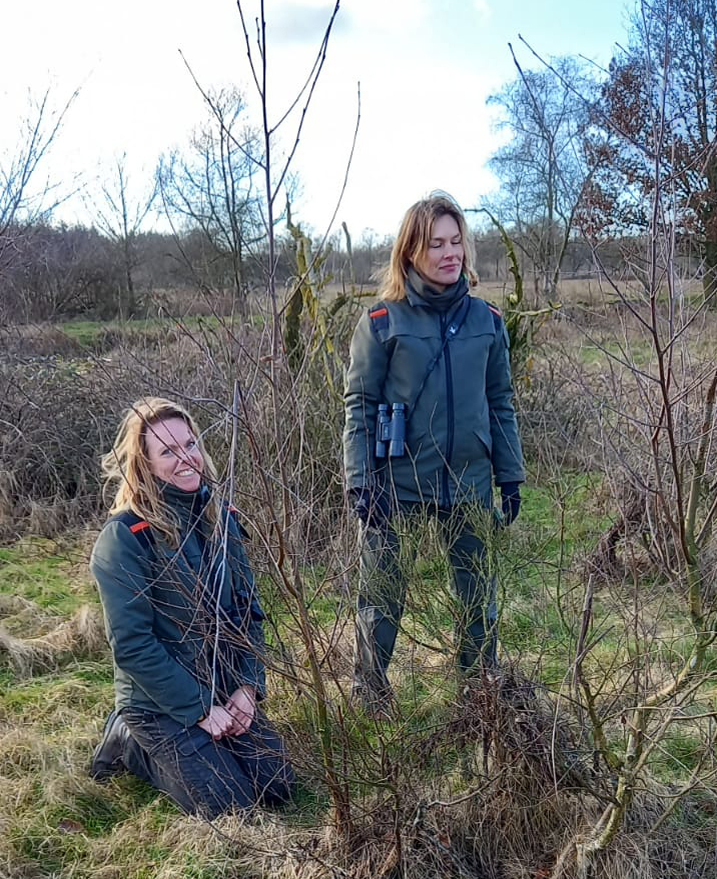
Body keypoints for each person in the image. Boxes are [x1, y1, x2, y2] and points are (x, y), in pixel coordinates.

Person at [343, 192, 525, 710]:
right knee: (381, 592)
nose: (450, 254)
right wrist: (361, 481)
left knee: (477, 594)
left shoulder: (487, 320)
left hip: (469, 478)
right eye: (435, 244)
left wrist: (509, 475)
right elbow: (359, 405)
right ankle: (369, 692)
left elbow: (500, 401)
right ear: (410, 252)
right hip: (398, 484)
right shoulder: (382, 321)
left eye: (456, 241)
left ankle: (479, 692)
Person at [89, 396, 294, 819]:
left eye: (190, 444)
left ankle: (210, 742)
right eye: (167, 451)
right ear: (143, 464)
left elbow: (249, 612)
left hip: (223, 684)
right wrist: (200, 708)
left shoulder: (223, 519)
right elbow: (133, 646)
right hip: (157, 702)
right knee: (229, 805)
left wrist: (248, 688)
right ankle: (131, 743)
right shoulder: (125, 538)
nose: (186, 458)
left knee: (278, 784)